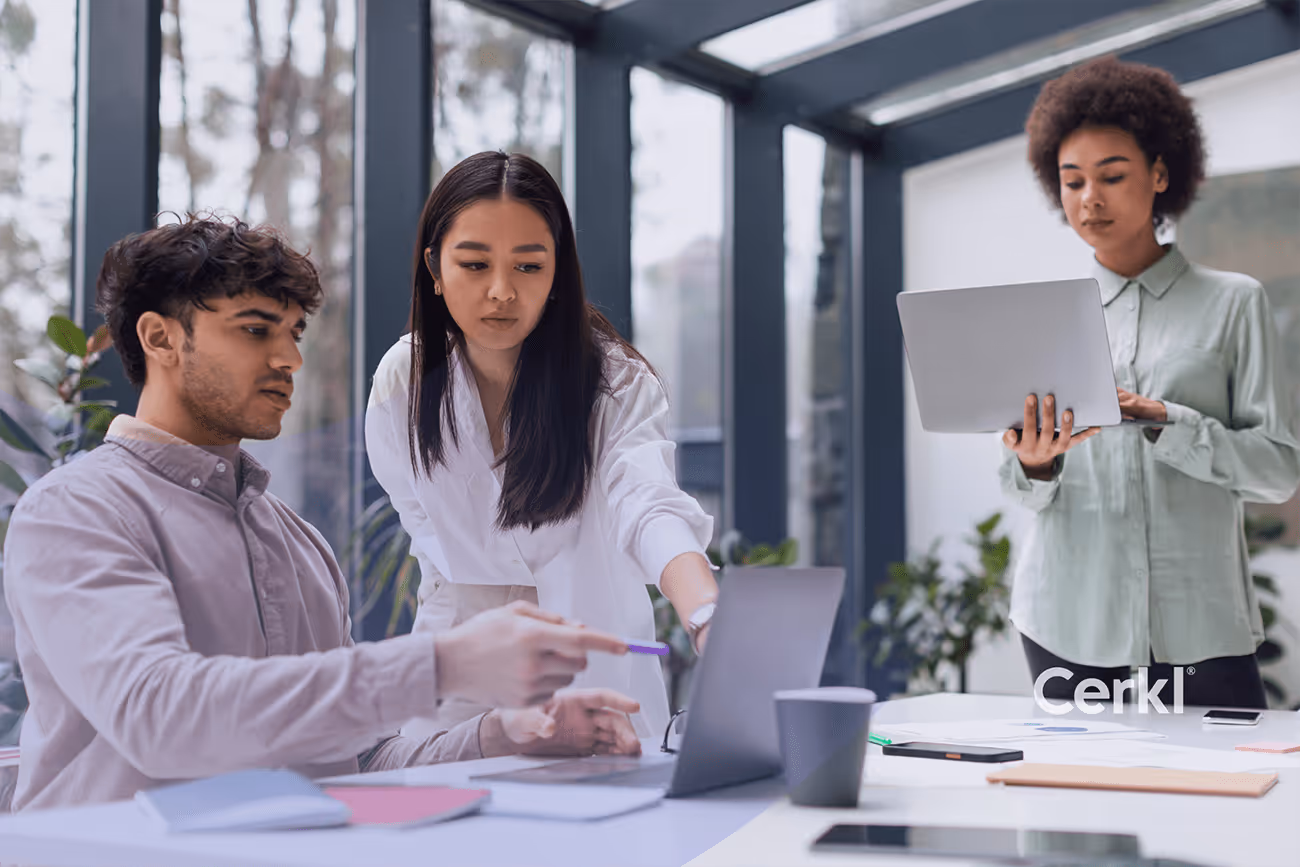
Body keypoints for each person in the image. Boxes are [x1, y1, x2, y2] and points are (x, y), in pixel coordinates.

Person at [2, 215, 643, 812]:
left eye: (294, 333)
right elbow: (161, 718)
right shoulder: (74, 512)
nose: (290, 360)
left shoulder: (298, 543)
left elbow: (354, 761)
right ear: (160, 337)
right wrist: (445, 662)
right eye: (257, 330)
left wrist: (505, 736)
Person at [366, 152, 719, 741]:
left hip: (587, 660)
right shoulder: (402, 380)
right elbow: (419, 519)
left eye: (528, 267)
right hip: (458, 665)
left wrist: (706, 613)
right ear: (434, 266)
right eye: (474, 264)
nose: (501, 292)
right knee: (446, 818)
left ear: (558, 271)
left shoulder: (615, 383)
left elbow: (648, 501)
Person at [1001, 56, 1300, 709]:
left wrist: (1169, 419)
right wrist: (1037, 463)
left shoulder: (1233, 303)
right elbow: (1022, 488)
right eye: (1072, 181)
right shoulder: (1043, 312)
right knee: (1074, 810)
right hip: (1066, 620)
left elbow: (1278, 470)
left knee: (1219, 808)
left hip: (1201, 627)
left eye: (1112, 175)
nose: (1090, 199)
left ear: (1161, 173)